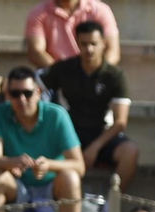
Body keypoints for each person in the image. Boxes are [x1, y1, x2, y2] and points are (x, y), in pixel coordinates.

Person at [0, 67, 85, 212]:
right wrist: (12, 162)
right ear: (7, 95)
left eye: (27, 93)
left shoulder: (57, 115)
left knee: (71, 178)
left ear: (38, 92)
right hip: (17, 187)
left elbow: (79, 165)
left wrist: (49, 165)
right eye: (15, 94)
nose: (21, 99)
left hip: (51, 187)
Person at [42, 20, 136, 191]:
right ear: (77, 44)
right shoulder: (64, 68)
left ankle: (110, 204)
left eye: (94, 43)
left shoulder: (114, 75)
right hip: (69, 133)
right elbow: (35, 89)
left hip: (102, 135)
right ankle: (49, 200)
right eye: (84, 44)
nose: (89, 49)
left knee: (130, 152)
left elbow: (120, 122)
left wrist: (95, 147)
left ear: (103, 44)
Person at [24, 0, 119, 69]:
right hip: (54, 77)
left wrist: (98, 73)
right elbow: (36, 52)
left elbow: (113, 51)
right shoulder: (38, 13)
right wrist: (63, 75)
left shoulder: (101, 10)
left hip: (96, 77)